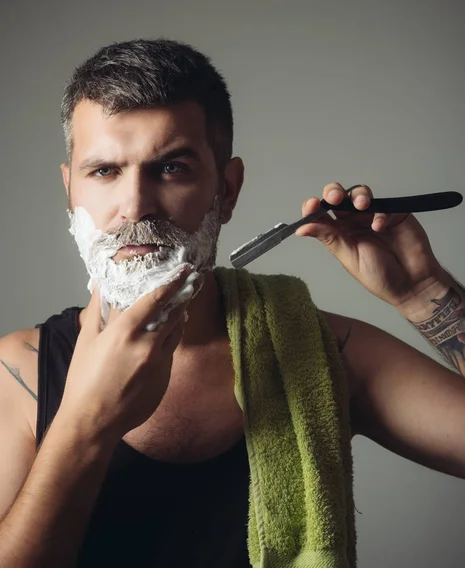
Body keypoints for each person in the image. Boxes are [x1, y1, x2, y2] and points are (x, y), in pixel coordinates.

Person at [0, 39, 463, 568]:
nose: (135, 206)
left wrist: (425, 293)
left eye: (171, 168)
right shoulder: (18, 374)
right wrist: (87, 420)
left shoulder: (319, 350)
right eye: (104, 171)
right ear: (70, 191)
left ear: (228, 188)